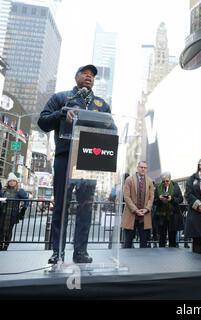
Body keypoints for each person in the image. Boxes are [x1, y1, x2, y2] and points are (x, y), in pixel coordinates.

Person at [38, 64, 111, 264]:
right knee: (61, 206)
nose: (89, 77)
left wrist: (107, 124)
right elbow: (42, 122)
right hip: (65, 158)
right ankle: (57, 252)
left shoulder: (101, 104)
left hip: (89, 161)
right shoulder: (61, 98)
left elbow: (111, 126)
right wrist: (62, 113)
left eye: (92, 75)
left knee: (85, 208)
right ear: (76, 77)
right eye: (85, 74)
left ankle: (80, 251)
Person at [121, 161, 154, 248]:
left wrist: (147, 209)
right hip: (131, 215)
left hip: (144, 216)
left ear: (146, 169)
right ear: (137, 168)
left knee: (144, 243)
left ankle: (142, 261)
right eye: (141, 167)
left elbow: (151, 197)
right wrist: (135, 210)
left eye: (145, 168)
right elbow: (126, 197)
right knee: (128, 242)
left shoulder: (150, 181)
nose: (143, 169)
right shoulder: (129, 180)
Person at [154, 172, 184, 247]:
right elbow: (154, 201)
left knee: (172, 238)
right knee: (161, 237)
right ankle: (161, 254)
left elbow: (180, 199)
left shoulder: (175, 186)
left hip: (173, 215)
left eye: (167, 181)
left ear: (170, 180)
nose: (165, 183)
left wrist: (172, 199)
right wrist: (159, 199)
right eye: (163, 181)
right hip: (161, 216)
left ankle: (172, 253)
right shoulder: (158, 187)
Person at [0, 173, 28, 251]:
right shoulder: (3, 190)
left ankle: (6, 245)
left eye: (13, 181)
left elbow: (26, 199)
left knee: (9, 230)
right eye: (10, 181)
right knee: (1, 229)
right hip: (3, 213)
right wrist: (2, 201)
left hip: (13, 213)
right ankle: (0, 244)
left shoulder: (19, 191)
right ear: (8, 182)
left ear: (16, 182)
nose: (12, 182)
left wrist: (23, 208)